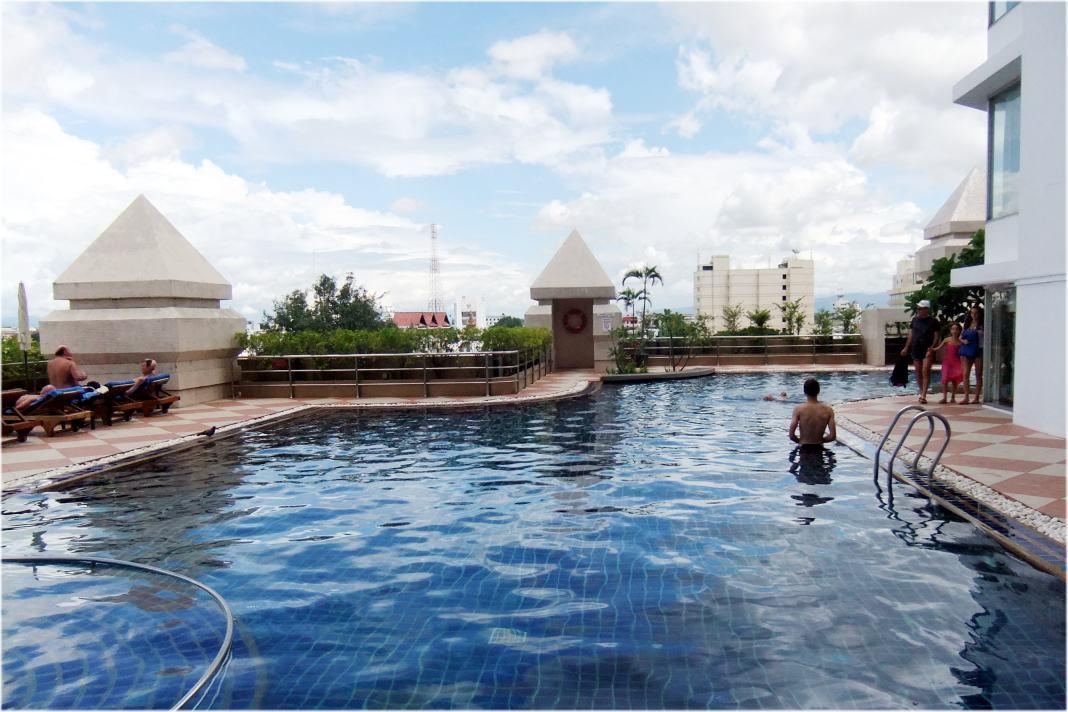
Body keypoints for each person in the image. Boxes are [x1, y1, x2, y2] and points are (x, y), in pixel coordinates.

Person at [900, 300, 940, 404]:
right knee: (918, 372)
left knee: (925, 371)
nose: (918, 310)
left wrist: (932, 348)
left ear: (926, 309)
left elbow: (936, 336)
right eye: (918, 308)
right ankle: (922, 392)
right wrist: (906, 348)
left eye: (920, 308)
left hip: (927, 349)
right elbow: (911, 335)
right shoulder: (915, 320)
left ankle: (924, 395)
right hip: (916, 348)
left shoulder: (933, 321)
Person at [788, 378, 836, 448]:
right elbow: (832, 436)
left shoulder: (798, 409)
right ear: (818, 391)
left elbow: (791, 435)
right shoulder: (828, 410)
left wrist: (801, 441)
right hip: (819, 447)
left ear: (804, 392)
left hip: (803, 447)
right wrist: (821, 441)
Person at [932, 323, 964, 404]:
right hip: (947, 362)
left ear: (960, 331)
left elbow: (963, 354)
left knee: (954, 380)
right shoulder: (947, 340)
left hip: (956, 363)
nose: (954, 331)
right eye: (953, 329)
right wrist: (931, 349)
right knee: (945, 379)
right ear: (950, 330)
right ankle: (944, 397)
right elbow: (938, 348)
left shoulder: (961, 341)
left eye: (956, 329)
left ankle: (953, 397)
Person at [960, 306, 984, 404]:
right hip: (968, 349)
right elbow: (960, 337)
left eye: (976, 313)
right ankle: (966, 397)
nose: (974, 315)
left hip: (979, 350)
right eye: (972, 313)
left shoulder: (983, 325)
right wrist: (964, 341)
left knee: (978, 373)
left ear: (979, 314)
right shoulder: (967, 324)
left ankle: (976, 397)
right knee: (966, 373)